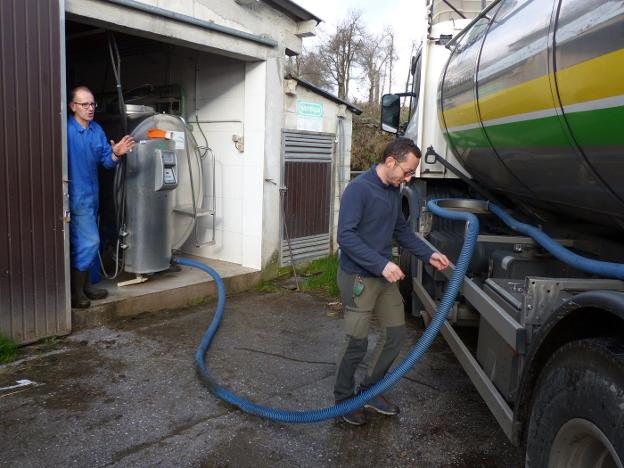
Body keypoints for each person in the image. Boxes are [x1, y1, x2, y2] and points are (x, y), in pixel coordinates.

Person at [335, 137, 450, 426]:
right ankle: (343, 399)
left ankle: (369, 391)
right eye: (408, 171)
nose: (409, 178)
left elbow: (401, 230)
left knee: (395, 335)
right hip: (359, 277)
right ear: (390, 162)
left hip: (384, 277)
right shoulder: (358, 190)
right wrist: (381, 264)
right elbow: (346, 237)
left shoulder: (393, 190)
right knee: (356, 343)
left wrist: (429, 254)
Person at [67, 86, 134, 308]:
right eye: (84, 104)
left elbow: (106, 161)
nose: (90, 108)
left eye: (92, 104)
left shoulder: (97, 130)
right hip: (75, 196)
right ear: (73, 106)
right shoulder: (65, 130)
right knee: (89, 241)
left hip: (92, 196)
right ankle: (75, 293)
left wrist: (116, 153)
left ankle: (85, 287)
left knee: (83, 242)